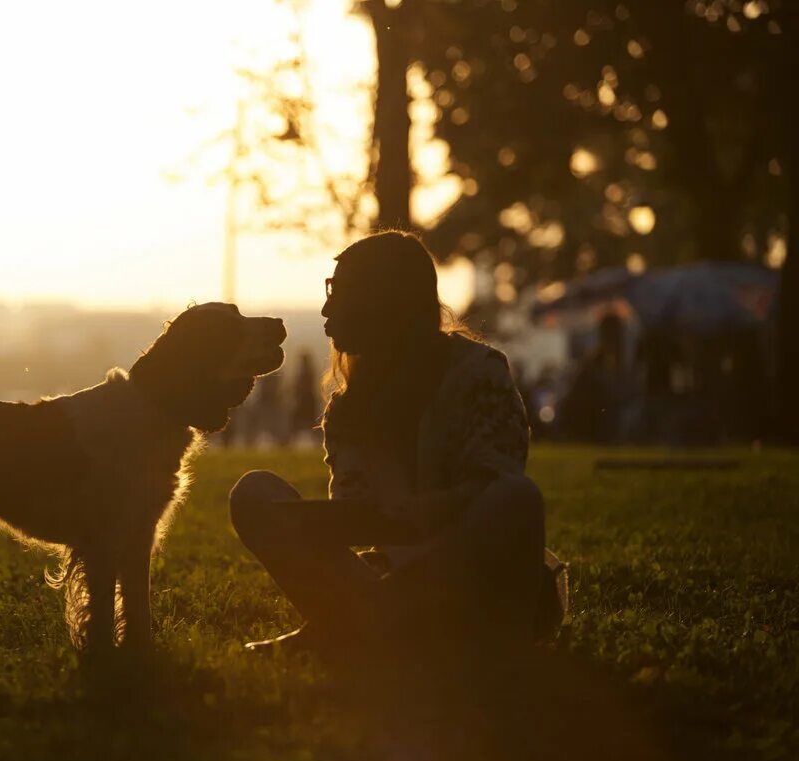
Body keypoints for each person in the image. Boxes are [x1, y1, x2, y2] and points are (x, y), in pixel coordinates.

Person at [229, 231, 565, 666]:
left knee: (517, 499)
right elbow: (359, 512)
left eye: (342, 292)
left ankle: (355, 626)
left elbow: (494, 489)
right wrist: (321, 522)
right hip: (391, 574)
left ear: (386, 300)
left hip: (471, 584)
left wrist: (420, 511)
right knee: (255, 493)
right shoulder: (348, 409)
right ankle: (384, 625)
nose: (327, 309)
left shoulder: (478, 374)